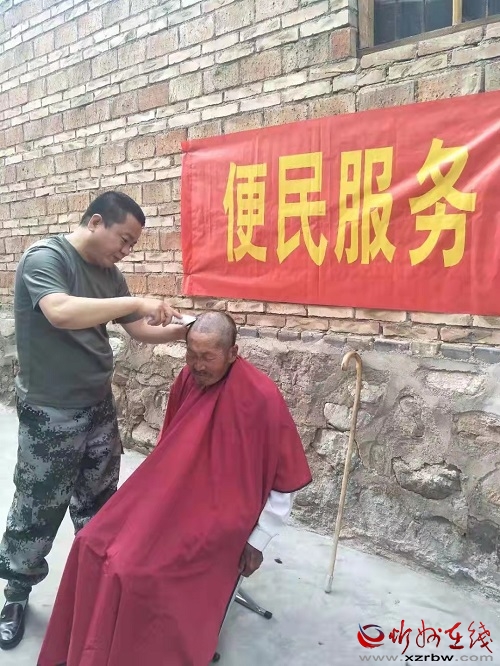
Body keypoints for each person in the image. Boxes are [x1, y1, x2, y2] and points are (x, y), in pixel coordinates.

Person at [37, 311, 312, 666]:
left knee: (134, 571)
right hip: (173, 491)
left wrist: (259, 541)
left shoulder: (262, 396)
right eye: (191, 354)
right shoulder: (186, 379)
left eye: (208, 357)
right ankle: (88, 649)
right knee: (91, 542)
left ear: (233, 353)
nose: (197, 366)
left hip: (224, 515)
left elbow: (283, 480)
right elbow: (172, 447)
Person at [0, 191, 189, 651]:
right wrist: (136, 301)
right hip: (50, 412)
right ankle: (16, 595)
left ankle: (98, 591)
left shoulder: (110, 274)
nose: (125, 250)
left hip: (98, 406)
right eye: (124, 239)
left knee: (101, 504)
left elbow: (138, 329)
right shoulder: (46, 258)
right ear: (96, 222)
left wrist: (186, 329)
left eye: (132, 245)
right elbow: (61, 311)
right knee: (38, 506)